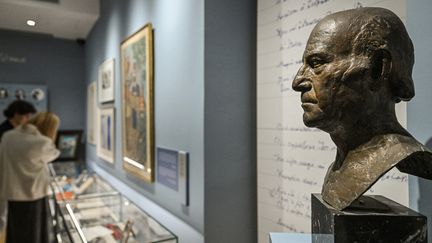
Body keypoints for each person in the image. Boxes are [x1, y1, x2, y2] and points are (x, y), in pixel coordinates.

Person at [292, 7, 432, 210]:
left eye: (316, 63)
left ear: (378, 69)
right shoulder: (340, 168)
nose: (297, 82)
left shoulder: (400, 153)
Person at [0, 112, 60, 243]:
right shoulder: (42, 142)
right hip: (34, 195)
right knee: (34, 234)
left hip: (11, 194)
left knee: (15, 232)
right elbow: (54, 154)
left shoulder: (8, 136)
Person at [0, 100, 36, 241]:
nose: (27, 119)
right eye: (26, 116)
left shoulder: (15, 131)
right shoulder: (5, 132)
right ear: (16, 115)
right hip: (3, 176)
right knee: (2, 212)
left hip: (11, 178)